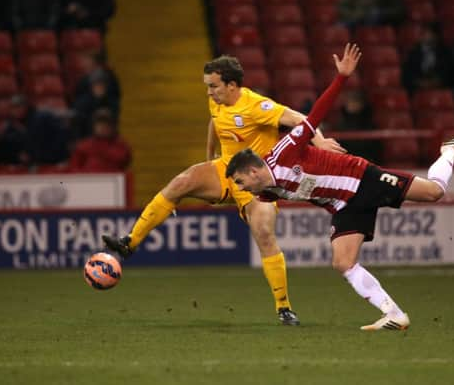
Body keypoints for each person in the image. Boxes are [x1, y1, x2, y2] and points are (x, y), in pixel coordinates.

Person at [226, 44, 454, 331]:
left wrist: (342, 78)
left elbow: (314, 115)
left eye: (240, 181)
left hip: (363, 180)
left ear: (251, 170)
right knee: (342, 262)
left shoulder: (284, 151)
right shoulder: (264, 191)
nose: (241, 188)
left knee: (434, 193)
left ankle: (450, 150)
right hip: (343, 205)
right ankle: (394, 315)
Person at [102, 54, 347, 326]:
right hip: (225, 169)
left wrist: (321, 142)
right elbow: (215, 122)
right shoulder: (216, 101)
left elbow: (302, 118)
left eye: (213, 86)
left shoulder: (257, 106)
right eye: (207, 86)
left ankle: (284, 307)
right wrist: (208, 159)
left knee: (264, 232)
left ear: (232, 85)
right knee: (181, 182)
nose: (209, 92)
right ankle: (129, 243)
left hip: (256, 181)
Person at [402, 22, 453, 95]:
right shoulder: (413, 53)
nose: (426, 36)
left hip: (440, 89)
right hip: (417, 90)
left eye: (429, 33)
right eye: (424, 33)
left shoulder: (445, 52)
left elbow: (448, 72)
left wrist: (436, 82)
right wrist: (419, 82)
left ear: (436, 36)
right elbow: (407, 74)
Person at [335, 90, 382, 164]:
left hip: (366, 162)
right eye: (350, 102)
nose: (352, 105)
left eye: (355, 102)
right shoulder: (340, 124)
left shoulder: (369, 123)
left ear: (361, 104)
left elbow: (375, 148)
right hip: (346, 162)